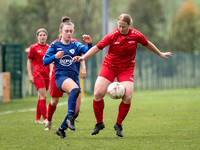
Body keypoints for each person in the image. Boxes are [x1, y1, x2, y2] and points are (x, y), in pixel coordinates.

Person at [72, 13, 172, 137]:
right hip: (109, 66)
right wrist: (83, 58)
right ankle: (99, 123)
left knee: (128, 96)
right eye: (119, 26)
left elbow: (147, 44)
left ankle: (118, 124)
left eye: (124, 26)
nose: (121, 29)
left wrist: (160, 53)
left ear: (129, 25)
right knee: (97, 93)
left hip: (126, 68)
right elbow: (97, 47)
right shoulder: (113, 35)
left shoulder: (136, 35)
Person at [43, 16, 92, 138]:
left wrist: (90, 43)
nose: (69, 33)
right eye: (66, 31)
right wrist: (55, 57)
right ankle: (68, 117)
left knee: (76, 111)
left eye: (71, 31)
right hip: (61, 77)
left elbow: (88, 51)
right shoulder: (55, 45)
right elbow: (44, 61)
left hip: (73, 77)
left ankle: (61, 129)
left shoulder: (76, 45)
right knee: (74, 90)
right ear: (61, 32)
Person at [27, 28, 52, 124]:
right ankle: (46, 119)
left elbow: (50, 61)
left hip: (46, 75)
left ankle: (37, 119)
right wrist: (30, 75)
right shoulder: (33, 48)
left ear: (46, 36)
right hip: (37, 74)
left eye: (44, 35)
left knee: (40, 96)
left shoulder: (49, 47)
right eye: (40, 35)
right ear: (37, 36)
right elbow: (29, 61)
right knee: (43, 96)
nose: (42, 37)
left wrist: (50, 72)